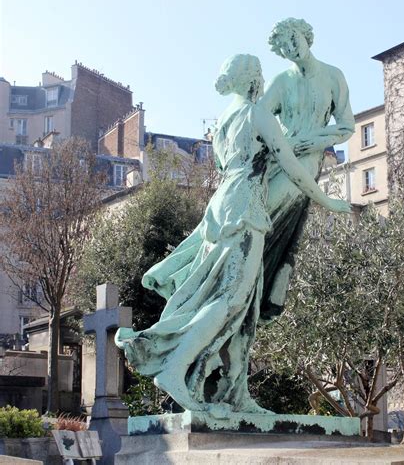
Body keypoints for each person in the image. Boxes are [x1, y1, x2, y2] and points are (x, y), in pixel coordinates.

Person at [115, 54, 351, 416]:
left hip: (221, 206)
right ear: (254, 78)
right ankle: (175, 366)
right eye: (259, 73)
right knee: (231, 300)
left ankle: (236, 393)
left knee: (243, 301)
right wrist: (328, 201)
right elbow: (292, 167)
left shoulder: (225, 118)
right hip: (246, 211)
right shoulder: (259, 115)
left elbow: (229, 167)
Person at [259, 18, 355, 321]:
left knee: (267, 216)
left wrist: (312, 141)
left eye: (294, 39)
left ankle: (254, 278)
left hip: (307, 161)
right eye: (284, 45)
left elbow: (347, 127)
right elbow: (257, 120)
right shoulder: (281, 82)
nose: (291, 47)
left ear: (306, 36)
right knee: (254, 213)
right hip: (279, 159)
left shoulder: (332, 76)